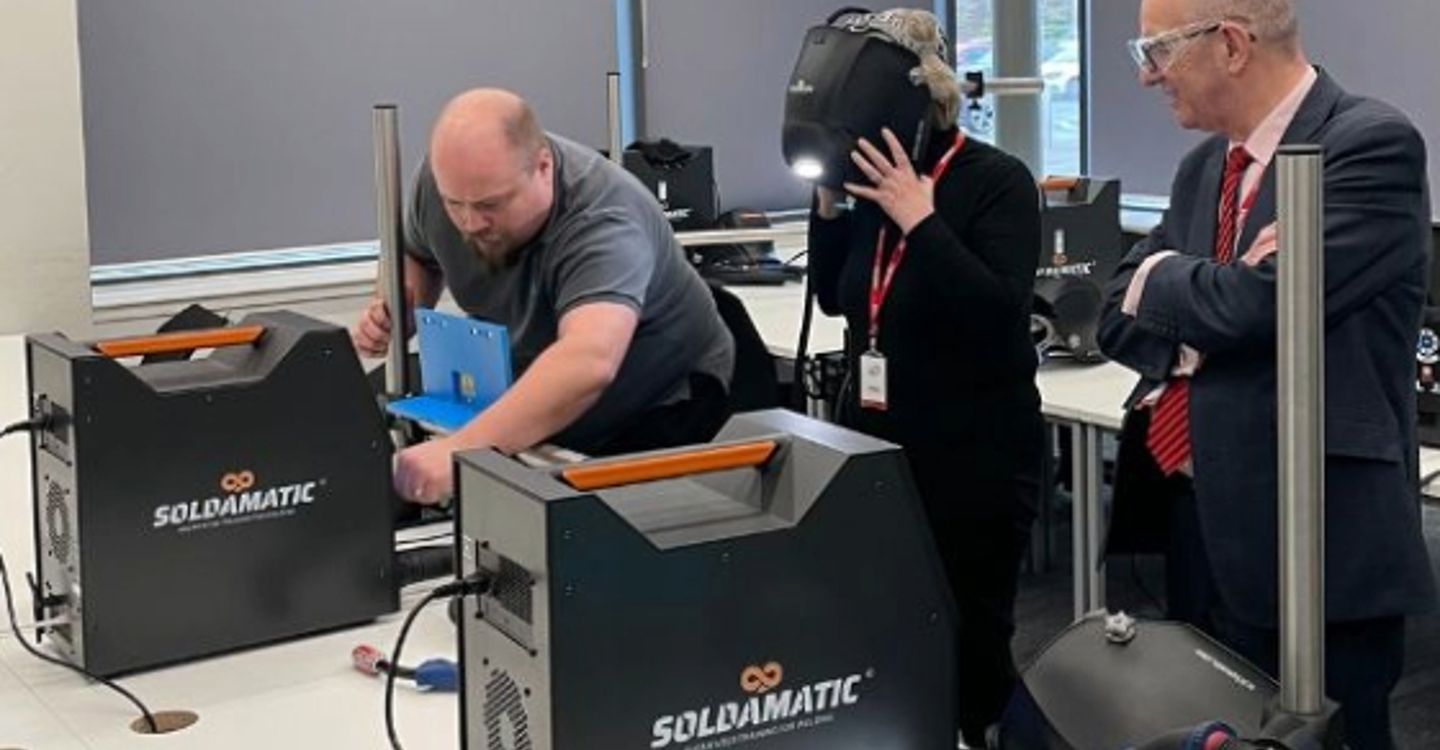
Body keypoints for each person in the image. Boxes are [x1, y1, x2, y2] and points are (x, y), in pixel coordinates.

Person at [1098, 1, 1437, 747]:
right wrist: (1208, 296)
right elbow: (1114, 313)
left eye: (1158, 51)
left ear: (1230, 45)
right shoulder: (1203, 169)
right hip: (1198, 520)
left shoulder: (1367, 145)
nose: (1149, 76)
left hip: (1316, 535)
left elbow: (1259, 307)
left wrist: (1175, 286)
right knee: (1209, 730)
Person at [805, 9, 1045, 746]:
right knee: (890, 634)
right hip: (883, 448)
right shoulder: (868, 188)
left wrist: (921, 221)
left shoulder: (995, 181)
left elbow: (997, 313)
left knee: (972, 642)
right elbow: (833, 297)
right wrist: (830, 208)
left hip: (976, 456)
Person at [353, 88, 735, 506]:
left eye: (490, 204)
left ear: (543, 167)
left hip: (660, 400)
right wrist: (401, 306)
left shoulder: (604, 219)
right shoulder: (448, 179)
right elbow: (416, 252)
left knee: (598, 528)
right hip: (541, 383)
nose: (470, 222)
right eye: (454, 203)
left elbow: (588, 361)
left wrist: (463, 450)